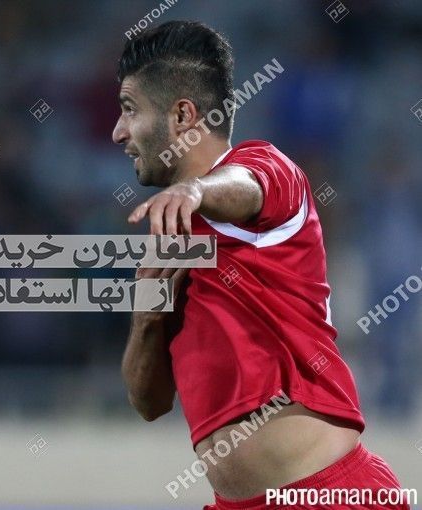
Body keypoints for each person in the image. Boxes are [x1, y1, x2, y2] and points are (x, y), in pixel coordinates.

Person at [112, 21, 409, 509]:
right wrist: (147, 318)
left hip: (326, 493)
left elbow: (249, 185)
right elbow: (149, 403)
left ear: (183, 115)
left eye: (129, 109)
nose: (118, 132)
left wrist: (196, 189)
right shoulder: (169, 236)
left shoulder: (270, 171)